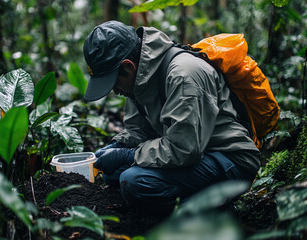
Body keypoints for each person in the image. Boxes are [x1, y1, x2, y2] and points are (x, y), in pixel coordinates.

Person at [83, 20, 260, 214]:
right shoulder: (138, 80)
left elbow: (183, 148)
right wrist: (116, 147)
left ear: (128, 66)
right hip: (195, 155)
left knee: (135, 181)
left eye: (113, 83)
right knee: (112, 174)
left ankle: (203, 216)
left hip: (228, 159)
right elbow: (138, 130)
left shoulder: (184, 75)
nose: (115, 91)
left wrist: (128, 155)